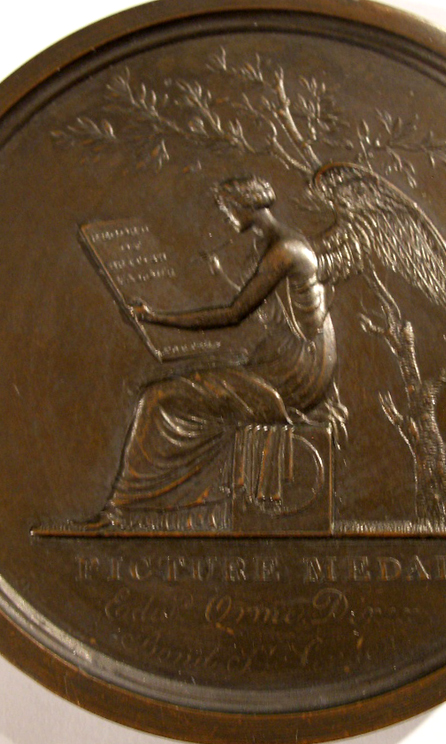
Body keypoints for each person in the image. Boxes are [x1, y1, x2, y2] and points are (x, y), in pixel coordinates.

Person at [85, 176, 337, 530]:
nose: (226, 216)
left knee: (157, 399)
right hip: (293, 361)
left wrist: (157, 317)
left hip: (290, 374)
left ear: (245, 205)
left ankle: (122, 511)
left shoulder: (283, 251)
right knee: (194, 387)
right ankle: (177, 508)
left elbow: (234, 314)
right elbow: (266, 311)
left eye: (227, 208)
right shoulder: (284, 244)